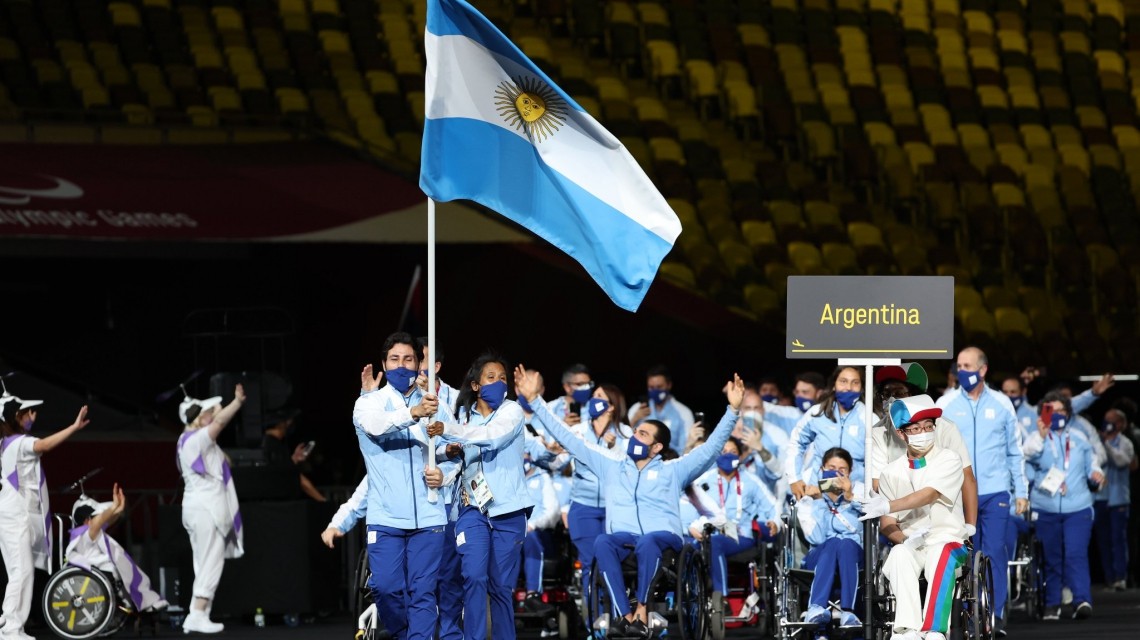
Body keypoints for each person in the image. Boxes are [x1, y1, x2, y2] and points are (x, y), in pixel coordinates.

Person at [523, 365, 744, 637]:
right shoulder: (612, 466)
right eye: (636, 431)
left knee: (648, 541)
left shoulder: (674, 470)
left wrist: (733, 410)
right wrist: (535, 401)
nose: (634, 437)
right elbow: (568, 438)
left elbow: (710, 449)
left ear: (657, 447)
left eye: (643, 435)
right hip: (626, 541)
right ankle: (626, 618)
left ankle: (641, 610)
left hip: (663, 543)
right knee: (602, 541)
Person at [353, 332, 445, 640]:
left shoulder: (434, 402)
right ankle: (404, 633)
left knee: (423, 593)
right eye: (394, 359)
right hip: (386, 517)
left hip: (429, 515)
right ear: (384, 363)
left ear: (419, 364)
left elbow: (455, 444)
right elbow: (376, 426)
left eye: (408, 359)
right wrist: (413, 413)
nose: (402, 365)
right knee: (385, 587)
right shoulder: (369, 403)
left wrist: (445, 473)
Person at [434, 353, 531, 640]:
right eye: (491, 377)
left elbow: (492, 436)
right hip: (472, 509)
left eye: (503, 378)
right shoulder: (462, 416)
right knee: (474, 576)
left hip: (508, 511)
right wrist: (445, 451)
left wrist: (451, 431)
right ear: (475, 385)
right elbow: (441, 450)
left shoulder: (512, 411)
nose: (499, 383)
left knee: (500, 586)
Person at [935, 347, 1027, 628]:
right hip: (959, 492)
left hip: (995, 491)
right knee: (964, 553)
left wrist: (1021, 492)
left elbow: (1015, 451)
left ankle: (995, 615)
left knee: (995, 551)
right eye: (959, 366)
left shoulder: (1002, 404)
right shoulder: (945, 403)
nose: (961, 371)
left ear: (983, 369)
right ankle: (966, 616)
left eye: (967, 366)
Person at [876, 395, 968, 640]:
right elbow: (887, 523)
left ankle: (934, 629)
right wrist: (905, 540)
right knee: (898, 554)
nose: (924, 433)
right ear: (901, 433)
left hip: (949, 540)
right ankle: (907, 629)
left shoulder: (949, 458)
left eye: (928, 427)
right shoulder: (890, 472)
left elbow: (929, 494)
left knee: (940, 554)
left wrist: (888, 504)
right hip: (913, 542)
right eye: (916, 429)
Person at [0, 391, 89, 639]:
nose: (33, 415)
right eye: (27, 412)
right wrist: (74, 427)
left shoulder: (7, 443)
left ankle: (10, 623)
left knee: (20, 571)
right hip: (14, 514)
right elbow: (44, 445)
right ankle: (11, 628)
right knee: (22, 571)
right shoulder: (18, 443)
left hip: (12, 513)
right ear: (15, 417)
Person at [868, 364, 978, 535]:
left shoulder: (944, 427)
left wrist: (970, 526)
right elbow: (878, 485)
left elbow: (967, 477)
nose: (891, 399)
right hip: (903, 521)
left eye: (898, 393)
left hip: (943, 520)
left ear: (914, 395)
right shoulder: (879, 432)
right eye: (886, 393)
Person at [1022, 391, 1103, 620]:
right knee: (1051, 557)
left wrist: (1096, 473)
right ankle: (1052, 603)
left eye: (1061, 410)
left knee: (1076, 554)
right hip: (1045, 507)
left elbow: (1093, 464)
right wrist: (1041, 436)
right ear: (1043, 414)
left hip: (1078, 507)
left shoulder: (1079, 438)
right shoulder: (1034, 438)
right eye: (1051, 411)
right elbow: (1026, 456)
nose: (1057, 414)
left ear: (1068, 413)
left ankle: (1081, 600)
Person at [177, 383, 244, 634]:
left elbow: (225, 458)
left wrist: (213, 411)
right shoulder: (195, 440)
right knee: (210, 562)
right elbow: (220, 422)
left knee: (204, 562)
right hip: (205, 509)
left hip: (199, 508)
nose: (211, 416)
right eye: (206, 413)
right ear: (198, 418)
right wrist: (236, 403)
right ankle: (196, 614)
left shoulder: (192, 441)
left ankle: (200, 614)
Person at [690, 437, 779, 613]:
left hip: (741, 536)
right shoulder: (704, 480)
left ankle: (721, 597)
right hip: (709, 533)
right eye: (723, 452)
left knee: (715, 543)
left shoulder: (751, 480)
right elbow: (687, 506)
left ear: (740, 456)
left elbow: (772, 505)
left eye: (733, 452)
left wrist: (775, 521)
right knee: (691, 546)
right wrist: (691, 526)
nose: (728, 455)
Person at [67, 483, 168, 613]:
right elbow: (99, 522)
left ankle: (143, 602)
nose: (100, 518)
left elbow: (105, 521)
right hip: (97, 575)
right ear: (87, 520)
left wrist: (118, 509)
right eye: (95, 516)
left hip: (105, 572)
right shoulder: (83, 535)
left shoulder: (91, 533)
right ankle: (143, 602)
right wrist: (114, 507)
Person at [797, 448, 863, 628]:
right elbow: (817, 538)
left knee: (846, 543)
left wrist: (850, 496)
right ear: (822, 469)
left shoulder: (860, 491)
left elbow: (869, 521)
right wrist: (818, 500)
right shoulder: (809, 499)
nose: (836, 473)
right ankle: (816, 607)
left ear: (850, 472)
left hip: (852, 556)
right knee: (833, 542)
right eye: (831, 468)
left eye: (842, 469)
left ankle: (847, 611)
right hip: (819, 556)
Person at [787, 366, 867, 499]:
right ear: (834, 385)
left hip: (853, 498)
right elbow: (796, 442)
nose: (848, 387)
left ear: (862, 388)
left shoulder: (869, 419)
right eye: (843, 381)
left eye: (855, 382)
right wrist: (794, 478)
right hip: (818, 496)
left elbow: (877, 461)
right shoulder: (817, 413)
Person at [1095, 408, 1135, 591]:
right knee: (1103, 540)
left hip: (1119, 498)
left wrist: (1108, 444)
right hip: (1101, 497)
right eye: (1106, 419)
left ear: (1120, 424)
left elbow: (1121, 461)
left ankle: (1121, 577)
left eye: (1112, 420)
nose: (1108, 423)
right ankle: (1109, 578)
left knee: (1118, 539)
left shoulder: (1125, 443)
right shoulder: (1097, 442)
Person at [520, 454, 560, 619]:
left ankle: (533, 594)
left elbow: (552, 512)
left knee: (529, 537)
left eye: (526, 452)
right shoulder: (509, 477)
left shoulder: (543, 478)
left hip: (538, 531)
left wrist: (532, 524)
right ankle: (506, 593)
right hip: (516, 532)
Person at [261, 407, 326, 502]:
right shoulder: (272, 446)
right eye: (288, 421)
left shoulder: (273, 443)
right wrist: (323, 500)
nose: (290, 424)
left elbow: (282, 467)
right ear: (280, 424)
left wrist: (294, 459)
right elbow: (298, 479)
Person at [732, 389, 789, 495]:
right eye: (748, 408)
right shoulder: (732, 432)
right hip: (737, 491)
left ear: (763, 410)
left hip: (768, 492)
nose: (752, 412)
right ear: (741, 410)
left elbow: (783, 471)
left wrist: (759, 447)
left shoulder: (778, 434)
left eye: (756, 408)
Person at [627, 364, 695, 449]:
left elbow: (687, 446)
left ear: (669, 385)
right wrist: (634, 419)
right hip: (642, 455)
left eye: (659, 387)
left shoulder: (683, 412)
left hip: (672, 456)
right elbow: (623, 438)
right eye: (651, 387)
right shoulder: (637, 409)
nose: (655, 391)